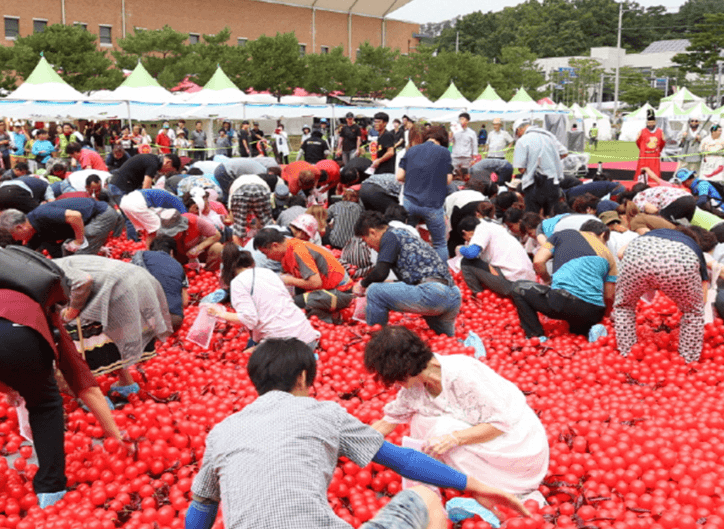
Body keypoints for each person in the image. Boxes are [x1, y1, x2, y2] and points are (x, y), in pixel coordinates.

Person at [186, 338, 531, 529]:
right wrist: (481, 486)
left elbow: (201, 505)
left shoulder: (221, 432)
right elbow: (404, 460)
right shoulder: (323, 412)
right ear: (305, 378)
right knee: (425, 497)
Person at [0, 264, 123, 516]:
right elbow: (78, 374)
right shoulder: (35, 304)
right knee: (44, 404)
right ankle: (50, 491)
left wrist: (8, 385)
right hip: (14, 337)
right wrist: (114, 433)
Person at [365, 326, 549, 500]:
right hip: (483, 439)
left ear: (404, 369)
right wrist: (353, 442)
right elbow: (387, 421)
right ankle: (439, 477)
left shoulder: (463, 373)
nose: (395, 384)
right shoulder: (415, 388)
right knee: (422, 421)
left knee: (440, 429)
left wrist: (453, 438)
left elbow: (500, 424)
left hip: (517, 447)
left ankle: (492, 487)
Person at [52, 255, 174, 398]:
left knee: (80, 330)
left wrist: (70, 312)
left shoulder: (51, 269)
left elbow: (83, 281)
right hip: (138, 278)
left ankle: (92, 396)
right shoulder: (58, 263)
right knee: (113, 332)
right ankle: (126, 382)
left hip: (118, 286)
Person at [352, 211, 462, 336]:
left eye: (365, 240)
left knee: (374, 291)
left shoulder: (389, 236)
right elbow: (415, 275)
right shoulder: (404, 234)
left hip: (432, 294)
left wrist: (362, 284)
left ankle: (376, 339)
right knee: (444, 341)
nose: (368, 246)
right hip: (453, 295)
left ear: (372, 232)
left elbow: (380, 273)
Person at [613, 226, 709, 363]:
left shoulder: (649, 234)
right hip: (679, 265)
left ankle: (627, 353)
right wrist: (694, 306)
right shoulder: (692, 246)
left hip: (637, 258)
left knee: (624, 307)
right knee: (694, 312)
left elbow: (621, 253)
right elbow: (703, 285)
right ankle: (688, 360)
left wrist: (646, 281)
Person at [511, 221, 616, 340]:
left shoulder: (562, 234)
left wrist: (547, 281)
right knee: (576, 332)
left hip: (563, 302)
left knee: (518, 287)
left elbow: (538, 262)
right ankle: (590, 330)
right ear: (602, 235)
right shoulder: (609, 255)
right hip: (593, 312)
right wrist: (603, 317)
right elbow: (609, 296)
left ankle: (536, 336)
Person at [207, 243, 321, 346]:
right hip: (307, 337)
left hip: (285, 345)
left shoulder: (238, 282)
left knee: (249, 361)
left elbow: (248, 319)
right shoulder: (268, 272)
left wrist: (220, 313)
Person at [253, 228, 354, 323]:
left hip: (341, 292)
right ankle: (322, 314)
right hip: (325, 290)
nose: (267, 258)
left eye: (266, 253)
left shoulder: (299, 250)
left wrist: (289, 280)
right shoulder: (286, 250)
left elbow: (315, 283)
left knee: (292, 304)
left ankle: (332, 318)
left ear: (275, 245)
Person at [399, 124, 453, 262]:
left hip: (410, 201)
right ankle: (441, 276)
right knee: (439, 243)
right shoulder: (444, 153)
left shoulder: (411, 150)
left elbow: (399, 176)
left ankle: (408, 268)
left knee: (407, 240)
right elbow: (448, 180)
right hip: (433, 205)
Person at [455, 216, 537, 298]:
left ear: (466, 233)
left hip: (513, 283)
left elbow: (471, 253)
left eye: (467, 239)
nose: (468, 242)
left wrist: (460, 248)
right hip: (528, 280)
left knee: (466, 262)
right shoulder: (495, 227)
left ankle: (479, 297)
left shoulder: (482, 229)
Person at [0, 197, 103, 257]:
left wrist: (79, 241)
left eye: (14, 235)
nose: (16, 239)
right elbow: (34, 244)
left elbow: (75, 216)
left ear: (20, 228)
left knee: (80, 256)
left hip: (98, 214)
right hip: (85, 219)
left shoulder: (41, 215)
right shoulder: (34, 226)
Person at [133, 236, 189, 330]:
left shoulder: (142, 255)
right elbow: (185, 301)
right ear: (171, 252)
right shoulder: (179, 266)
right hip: (174, 321)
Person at [513, 122, 564, 216]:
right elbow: (564, 152)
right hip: (552, 182)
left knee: (532, 217)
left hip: (534, 183)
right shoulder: (549, 137)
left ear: (519, 130)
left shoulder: (523, 140)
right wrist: (550, 161)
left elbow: (521, 168)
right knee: (551, 215)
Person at [118, 188, 187, 245]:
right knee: (156, 229)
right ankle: (149, 250)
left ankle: (134, 244)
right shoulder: (179, 203)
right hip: (137, 204)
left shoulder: (170, 195)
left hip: (125, 201)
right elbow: (186, 216)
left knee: (146, 227)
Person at [634, 110, 666, 181]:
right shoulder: (642, 132)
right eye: (649, 123)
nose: (651, 124)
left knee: (655, 172)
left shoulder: (660, 132)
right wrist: (643, 150)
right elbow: (638, 143)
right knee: (642, 172)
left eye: (652, 122)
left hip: (654, 156)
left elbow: (662, 144)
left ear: (655, 122)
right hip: (644, 156)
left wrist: (656, 152)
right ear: (647, 123)